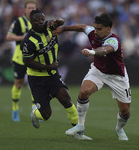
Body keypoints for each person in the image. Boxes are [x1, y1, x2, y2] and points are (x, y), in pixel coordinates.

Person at [53, 13, 131, 141]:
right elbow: (82, 27)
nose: (96, 31)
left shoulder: (113, 40)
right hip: (98, 71)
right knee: (83, 92)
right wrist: (64, 28)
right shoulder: (93, 33)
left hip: (117, 77)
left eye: (99, 29)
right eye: (95, 27)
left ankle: (119, 129)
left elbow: (105, 50)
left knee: (125, 112)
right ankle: (80, 126)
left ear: (108, 29)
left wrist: (92, 52)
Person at [20, 9, 91, 140]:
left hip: (53, 75)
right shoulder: (28, 41)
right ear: (31, 22)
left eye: (42, 19)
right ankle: (35, 113)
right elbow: (28, 62)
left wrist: (58, 20)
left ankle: (78, 133)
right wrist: (48, 66)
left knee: (66, 99)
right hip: (37, 79)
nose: (41, 22)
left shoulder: (49, 26)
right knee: (46, 115)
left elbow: (61, 22)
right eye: (37, 20)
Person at [6, 0, 37, 122]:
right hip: (19, 58)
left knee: (34, 84)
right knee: (18, 84)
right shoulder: (19, 22)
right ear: (24, 9)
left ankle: (34, 110)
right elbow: (8, 37)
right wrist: (21, 37)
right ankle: (15, 109)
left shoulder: (38, 22)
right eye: (29, 7)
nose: (31, 10)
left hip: (33, 58)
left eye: (33, 8)